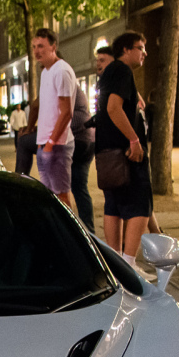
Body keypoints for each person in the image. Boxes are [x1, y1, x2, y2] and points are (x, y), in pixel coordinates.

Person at [93, 31, 151, 266]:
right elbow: (114, 108)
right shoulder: (122, 70)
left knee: (113, 205)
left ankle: (116, 263)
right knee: (140, 204)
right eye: (140, 47)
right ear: (126, 50)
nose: (144, 53)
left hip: (108, 152)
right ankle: (128, 264)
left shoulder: (109, 73)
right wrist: (134, 140)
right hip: (124, 152)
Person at [32, 27, 78, 214]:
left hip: (57, 144)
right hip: (45, 144)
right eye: (34, 46)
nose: (37, 51)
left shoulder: (61, 71)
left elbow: (66, 112)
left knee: (62, 196)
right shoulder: (46, 72)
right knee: (50, 194)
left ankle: (71, 236)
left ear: (53, 46)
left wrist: (51, 143)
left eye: (41, 46)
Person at [70, 86, 95, 230]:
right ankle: (88, 229)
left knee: (74, 186)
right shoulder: (75, 87)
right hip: (88, 139)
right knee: (79, 187)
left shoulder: (64, 82)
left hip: (78, 139)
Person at [14, 98, 38, 175]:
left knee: (23, 141)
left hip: (57, 137)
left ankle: (20, 181)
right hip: (72, 134)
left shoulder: (49, 85)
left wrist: (29, 129)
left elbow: (35, 106)